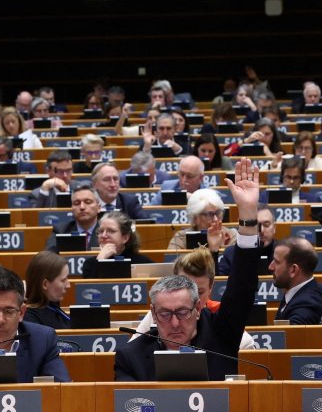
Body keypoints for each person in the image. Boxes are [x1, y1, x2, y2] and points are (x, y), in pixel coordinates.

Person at [113, 158, 264, 382]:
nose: (175, 324)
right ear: (153, 314)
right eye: (165, 314)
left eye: (183, 313)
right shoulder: (130, 356)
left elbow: (242, 287)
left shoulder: (221, 334)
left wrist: (249, 216)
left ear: (197, 309)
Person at [269, 237, 322, 325]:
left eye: (276, 262)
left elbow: (294, 336)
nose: (270, 267)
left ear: (293, 270)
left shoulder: (304, 308)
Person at [79, 211, 153, 278]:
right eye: (101, 231)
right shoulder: (90, 264)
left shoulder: (142, 263)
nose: (104, 235)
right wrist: (100, 260)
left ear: (125, 238)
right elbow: (90, 289)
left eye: (111, 231)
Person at [168, 189, 238, 250]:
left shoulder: (231, 236)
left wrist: (221, 247)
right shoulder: (181, 238)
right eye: (209, 214)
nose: (215, 219)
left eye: (218, 213)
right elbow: (173, 262)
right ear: (195, 218)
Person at [23, 251, 73, 329]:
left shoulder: (57, 312)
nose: (68, 285)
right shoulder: (29, 319)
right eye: (63, 280)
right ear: (45, 284)